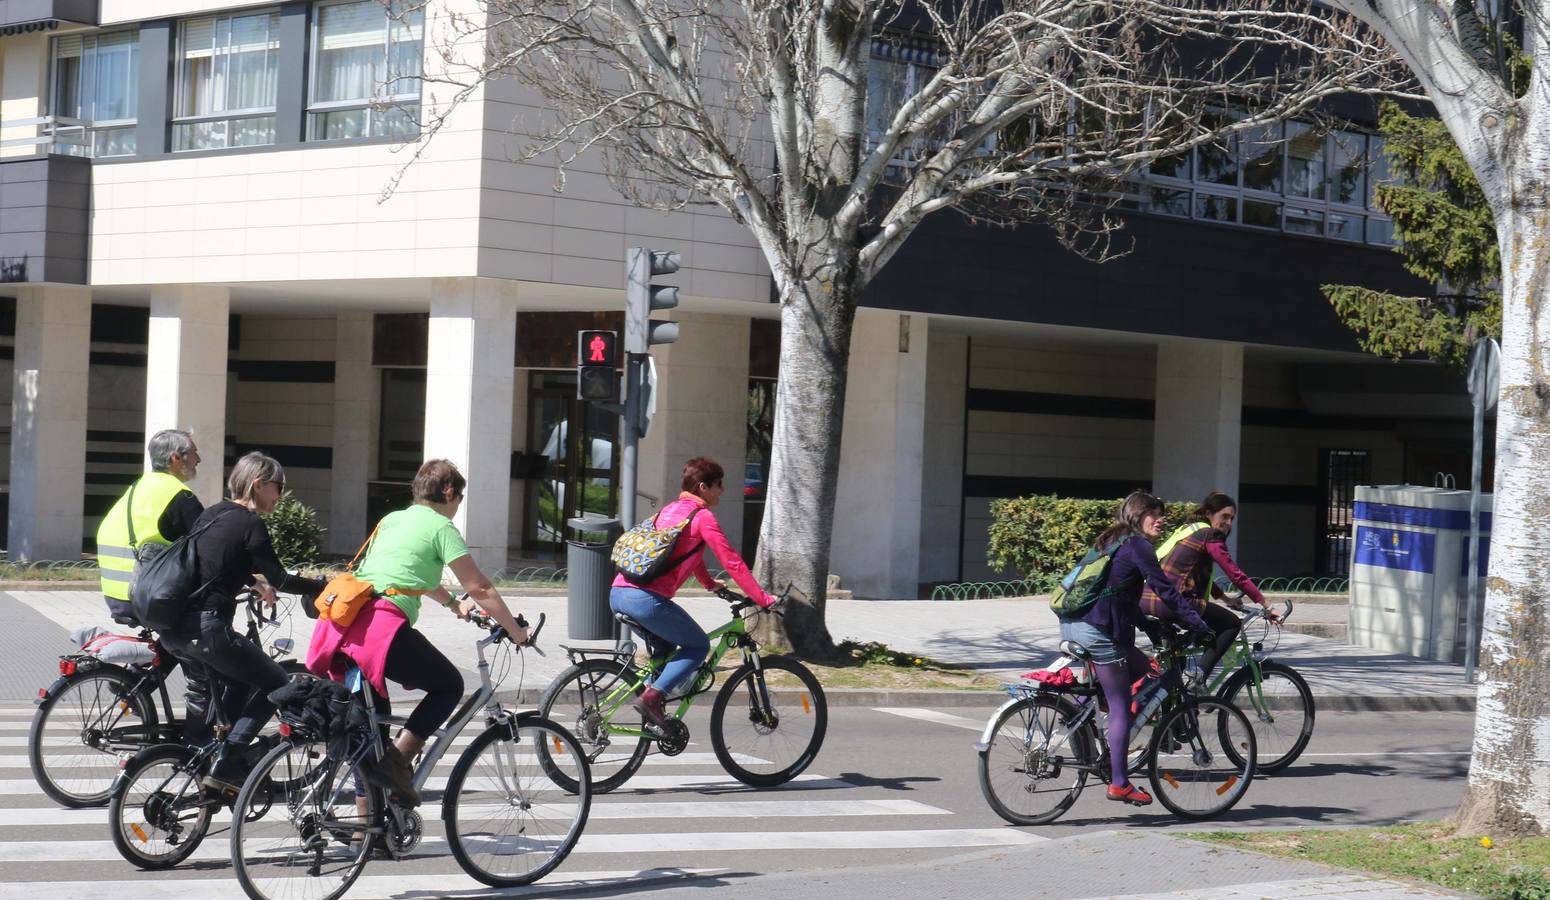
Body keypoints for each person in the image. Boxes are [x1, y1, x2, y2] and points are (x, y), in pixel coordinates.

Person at [305, 459, 529, 806]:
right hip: (378, 627)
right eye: (460, 497)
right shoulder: (441, 527)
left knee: (371, 734)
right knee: (449, 685)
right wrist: (516, 631)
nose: (458, 506)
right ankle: (398, 762)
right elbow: (481, 587)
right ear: (450, 492)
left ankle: (369, 831)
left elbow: (406, 575)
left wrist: (453, 603)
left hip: (342, 627)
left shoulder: (392, 519)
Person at [158, 451, 326, 793]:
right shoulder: (251, 523)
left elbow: (216, 562)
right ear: (259, 484)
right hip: (208, 629)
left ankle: (215, 755)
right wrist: (321, 586)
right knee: (277, 682)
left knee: (238, 682)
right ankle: (228, 760)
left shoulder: (212, 514)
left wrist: (252, 581)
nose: (281, 495)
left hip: (175, 630)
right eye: (278, 487)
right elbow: (280, 577)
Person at [1061, 491, 1211, 806]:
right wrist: (1198, 624)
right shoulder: (1138, 545)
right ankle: (1119, 783)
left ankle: (1077, 707)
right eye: (1154, 514)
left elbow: (1120, 593)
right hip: (1098, 631)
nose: (1161, 520)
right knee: (1120, 705)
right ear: (1136, 516)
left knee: (1145, 669)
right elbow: (1165, 591)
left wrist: (1149, 626)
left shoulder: (1112, 539)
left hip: (1076, 623)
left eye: (1162, 514)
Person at [610, 457, 778, 730]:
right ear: (703, 487)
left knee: (665, 650)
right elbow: (732, 561)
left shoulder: (670, 510)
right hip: (645, 601)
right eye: (718, 484)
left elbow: (689, 553)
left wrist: (709, 584)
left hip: (618, 592)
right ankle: (652, 699)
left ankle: (652, 714)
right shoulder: (702, 518)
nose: (722, 490)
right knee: (697, 646)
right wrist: (762, 598)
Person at [93, 429, 211, 741]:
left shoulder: (137, 488)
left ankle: (136, 683)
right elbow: (210, 547)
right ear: (175, 459)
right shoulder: (178, 496)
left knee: (175, 634)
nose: (199, 459)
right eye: (193, 453)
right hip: (149, 597)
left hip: (119, 594)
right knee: (200, 650)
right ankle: (198, 740)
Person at [1143, 492, 1278, 687]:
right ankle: (1198, 677)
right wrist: (1267, 604)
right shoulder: (1210, 535)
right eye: (1224, 516)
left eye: (1232, 518)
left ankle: (1177, 708)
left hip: (1149, 598)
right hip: (1174, 601)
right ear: (1209, 513)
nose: (1229, 523)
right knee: (1231, 624)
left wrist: (1225, 598)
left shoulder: (1188, 529)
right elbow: (1235, 574)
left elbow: (1187, 571)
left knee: (1177, 657)